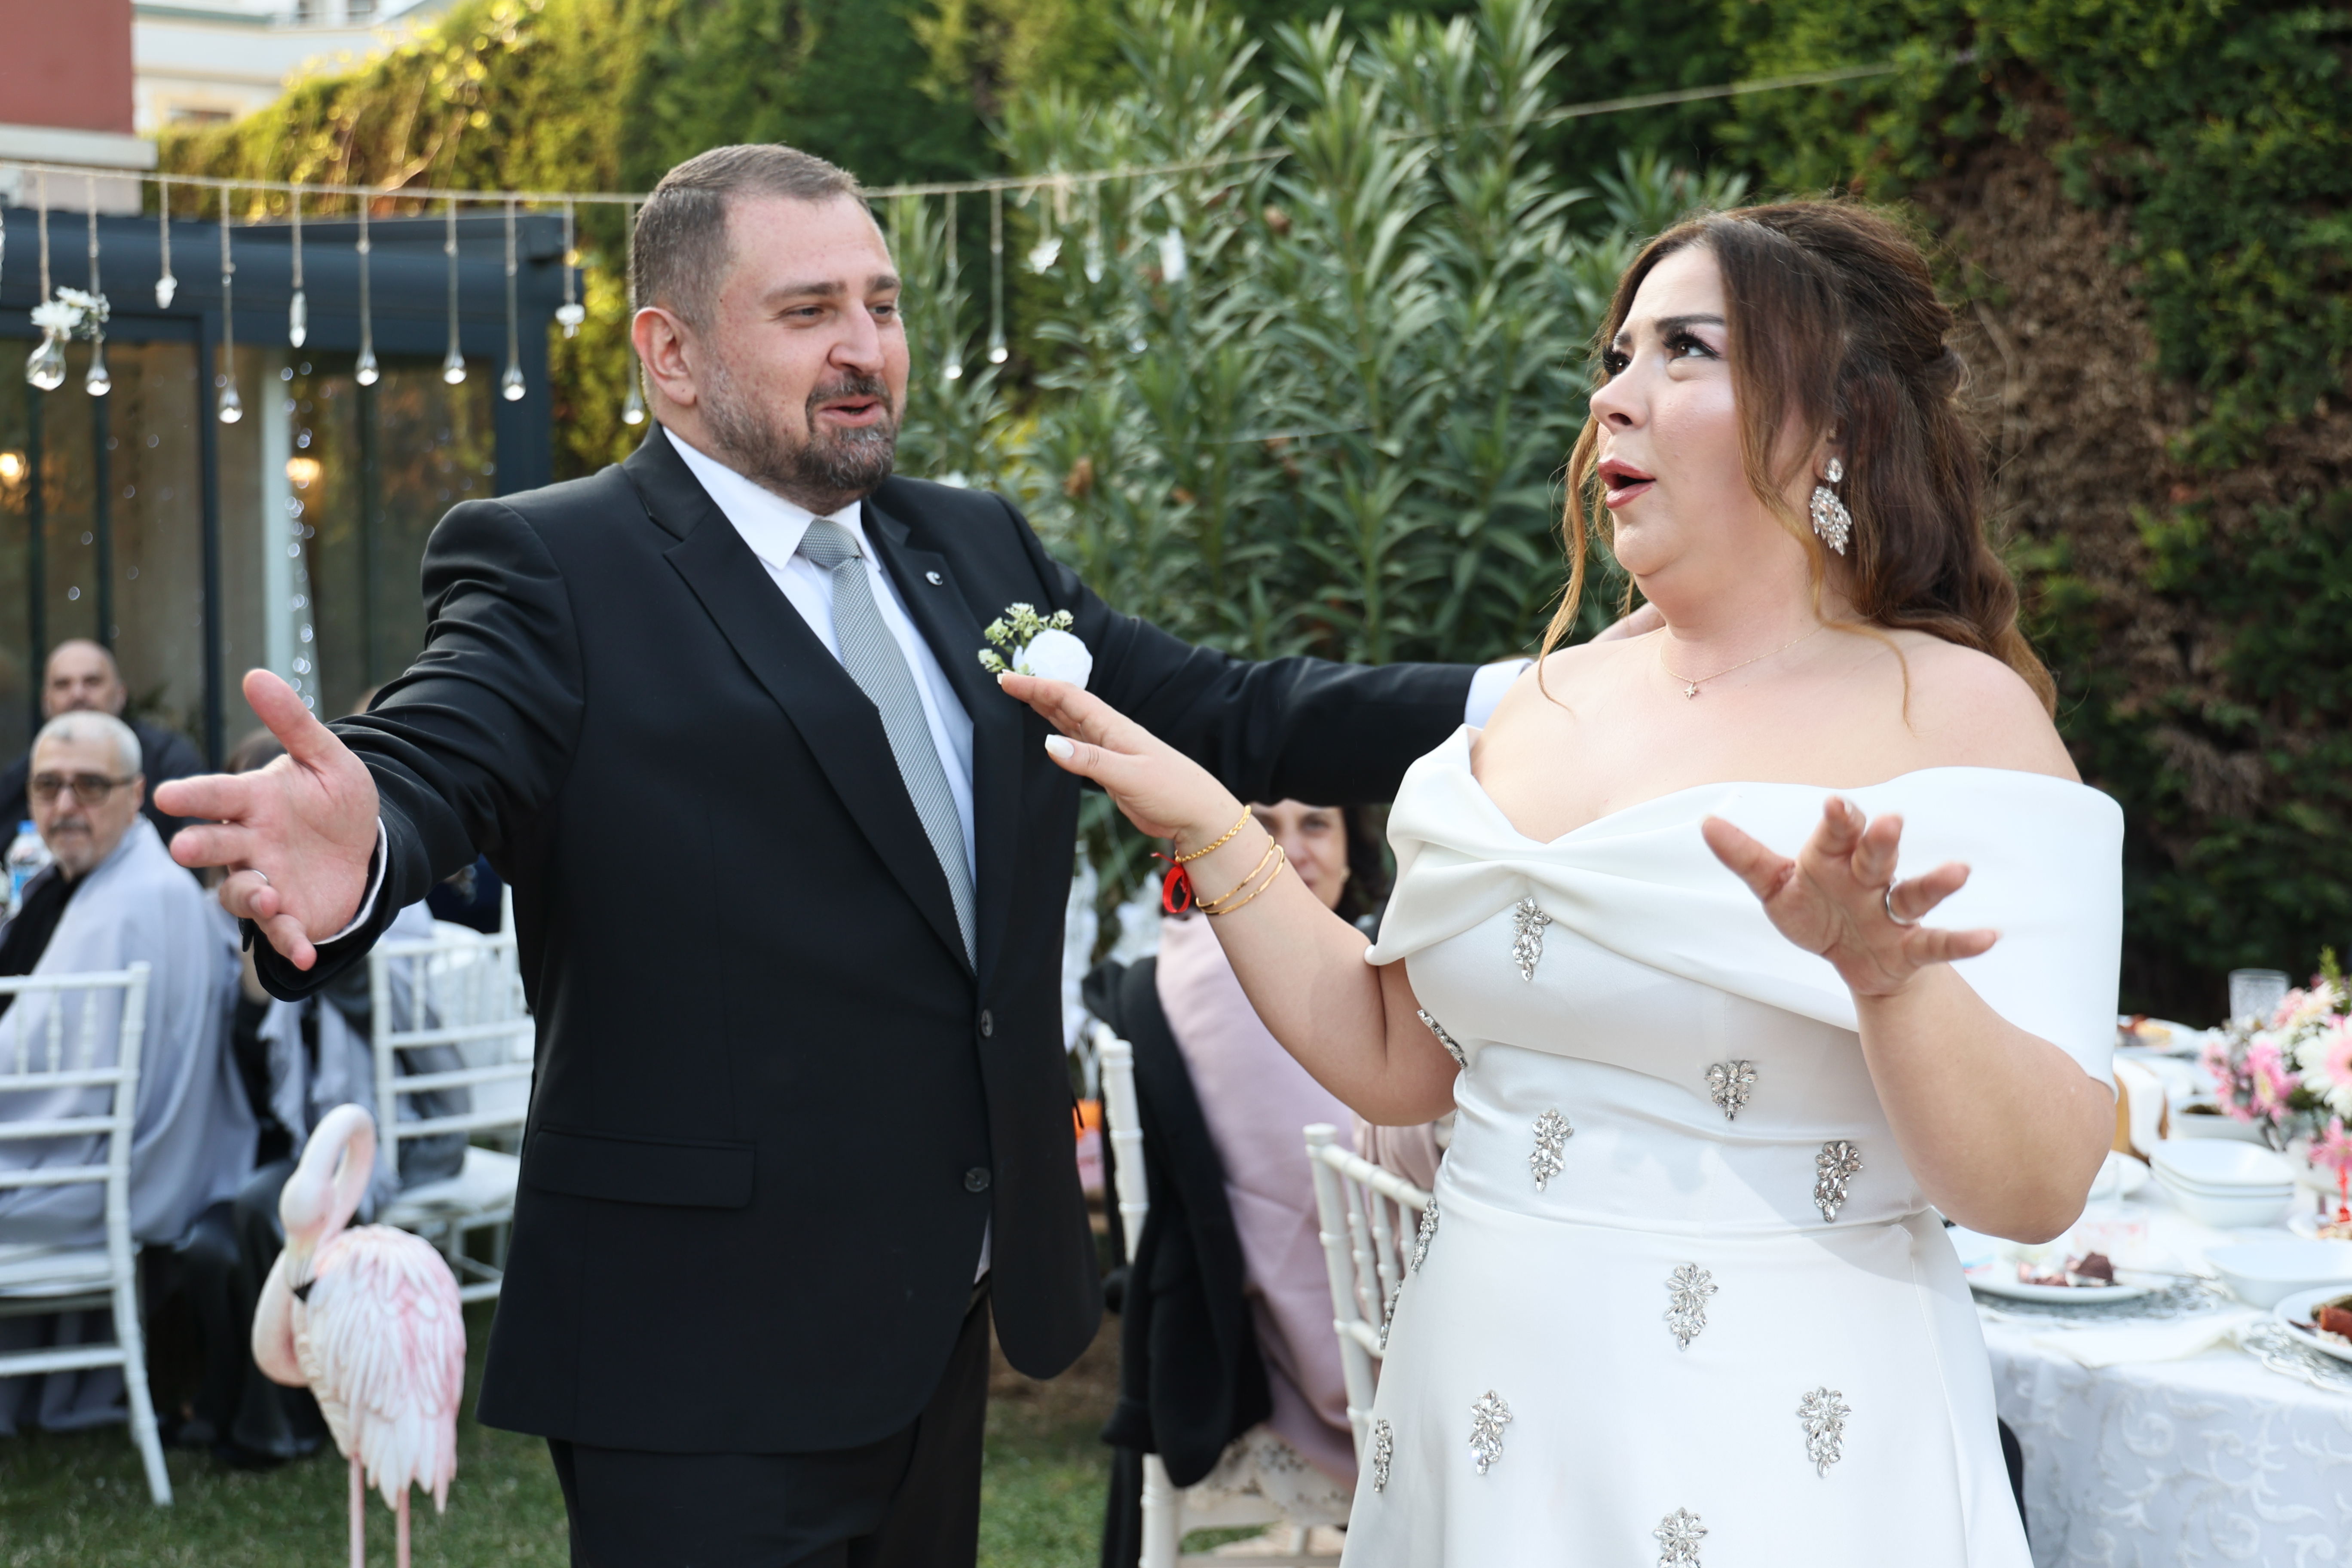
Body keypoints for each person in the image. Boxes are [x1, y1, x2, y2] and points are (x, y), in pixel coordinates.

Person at [152, 143, 1526, 1567]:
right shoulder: (554, 566)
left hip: (945, 1316)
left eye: (881, 303)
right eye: (809, 311)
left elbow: (1233, 708)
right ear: (671, 354)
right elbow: (450, 744)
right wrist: (376, 831)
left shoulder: (975, 547)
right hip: (694, 1356)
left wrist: (1537, 701)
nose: (866, 346)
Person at [1007, 201, 2119, 1562]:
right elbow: (1394, 1057)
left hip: (1779, 1438)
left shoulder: (1956, 719)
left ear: (1839, 422)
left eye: (1686, 350)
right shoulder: (1536, 706)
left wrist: (1892, 985)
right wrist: (1207, 828)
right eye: (1618, 354)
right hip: (1481, 1422)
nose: (1614, 397)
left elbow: (2036, 1190)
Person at [0, 712, 253, 1435]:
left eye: (89, 786)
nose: (64, 806)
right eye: (47, 786)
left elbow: (28, 1071)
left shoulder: (124, 907)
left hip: (95, 1181)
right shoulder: (117, 877)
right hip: (112, 1166)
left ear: (136, 793)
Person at [0, 640, 204, 846]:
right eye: (63, 685)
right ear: (46, 702)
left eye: (92, 682)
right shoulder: (25, 773)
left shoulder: (168, 759)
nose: (78, 694)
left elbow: (200, 842)